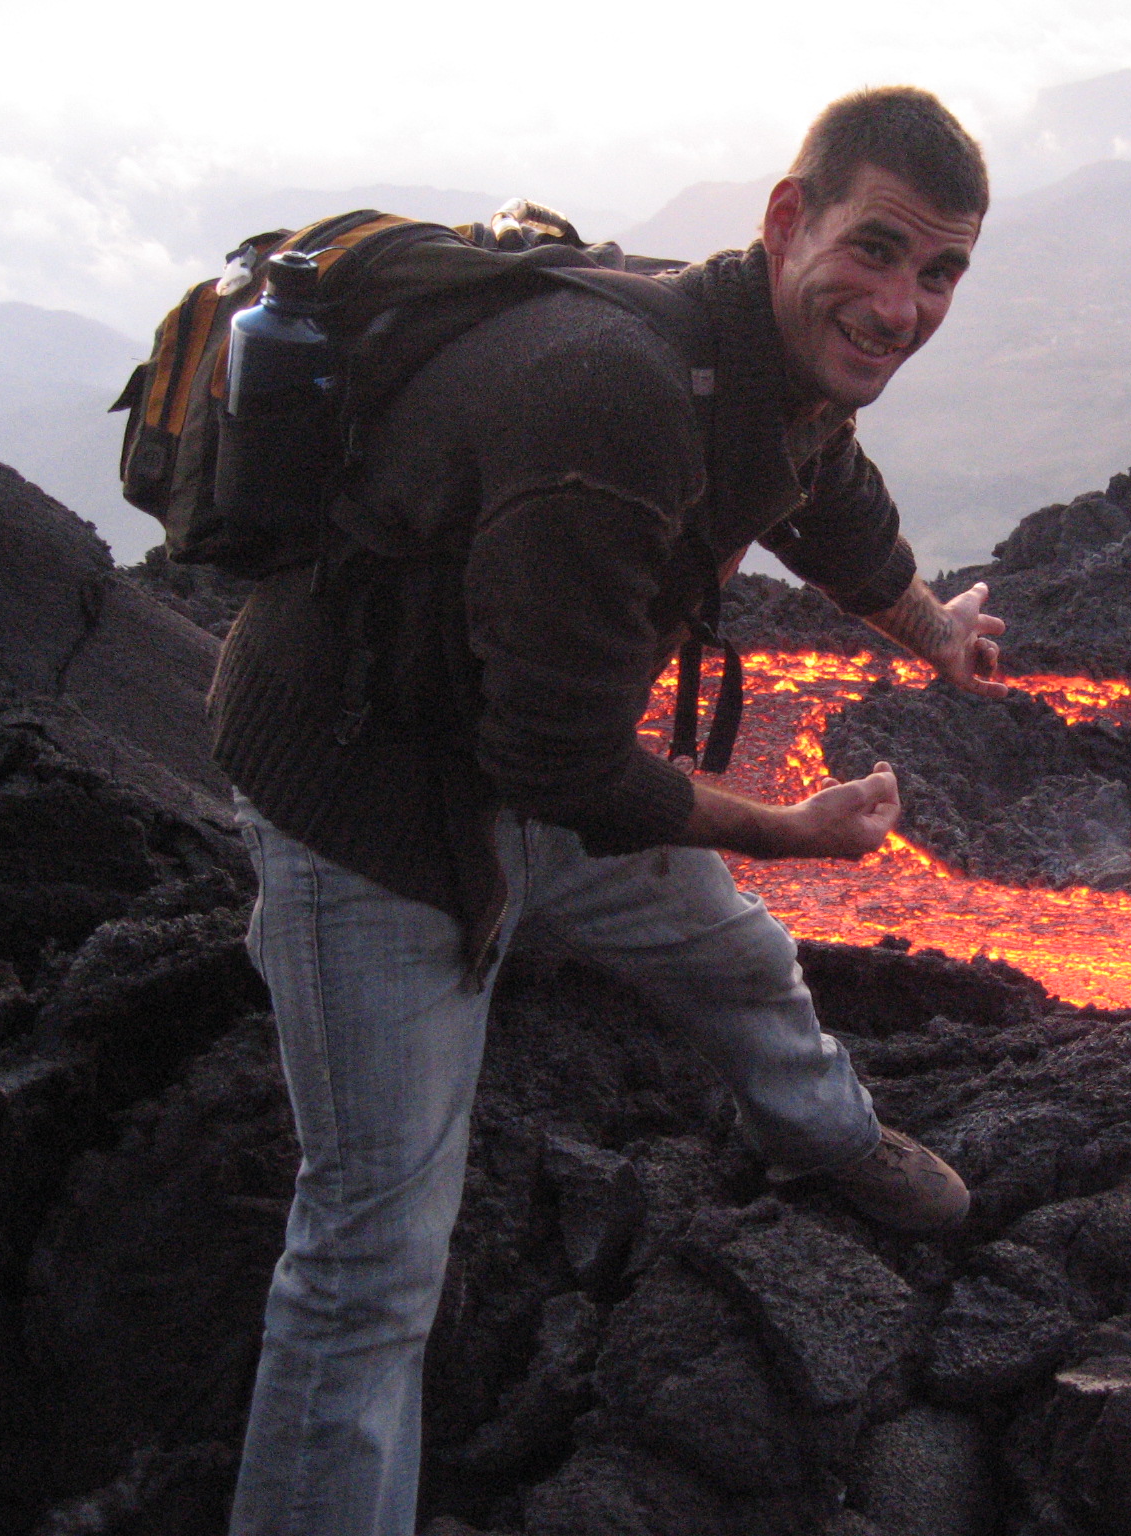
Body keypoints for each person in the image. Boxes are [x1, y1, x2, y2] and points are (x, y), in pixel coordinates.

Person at [209, 86, 1004, 1535]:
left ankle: (825, 1141)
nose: (903, 305)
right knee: (372, 1259)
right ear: (787, 218)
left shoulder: (754, 350)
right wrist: (789, 833)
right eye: (878, 250)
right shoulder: (616, 397)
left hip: (513, 741)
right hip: (366, 793)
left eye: (940, 269)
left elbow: (825, 485)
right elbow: (565, 770)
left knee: (735, 958)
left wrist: (927, 627)